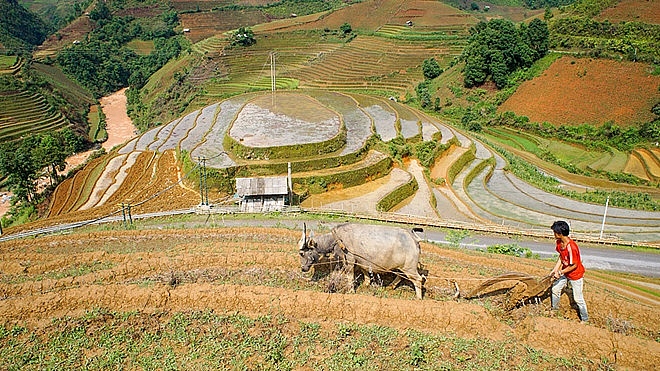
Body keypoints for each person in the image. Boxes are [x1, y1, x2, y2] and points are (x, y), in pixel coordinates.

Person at [550, 220, 589, 322]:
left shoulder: (571, 247)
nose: (553, 234)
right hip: (565, 272)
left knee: (578, 299)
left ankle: (585, 319)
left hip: (575, 275)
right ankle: (555, 309)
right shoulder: (559, 243)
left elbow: (574, 265)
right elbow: (561, 258)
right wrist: (555, 269)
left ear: (560, 234)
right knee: (555, 289)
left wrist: (560, 272)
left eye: (554, 232)